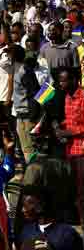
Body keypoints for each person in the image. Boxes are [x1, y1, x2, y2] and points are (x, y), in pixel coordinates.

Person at [55, 67, 84, 227]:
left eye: (64, 80)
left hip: (81, 150)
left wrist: (67, 133)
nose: (61, 83)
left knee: (81, 190)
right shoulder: (67, 97)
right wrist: (58, 127)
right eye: (59, 80)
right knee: (73, 189)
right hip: (70, 150)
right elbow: (71, 120)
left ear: (74, 80)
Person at [17, 185, 84, 250]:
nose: (23, 210)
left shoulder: (67, 234)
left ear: (41, 204)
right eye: (23, 206)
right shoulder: (26, 232)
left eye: (26, 205)